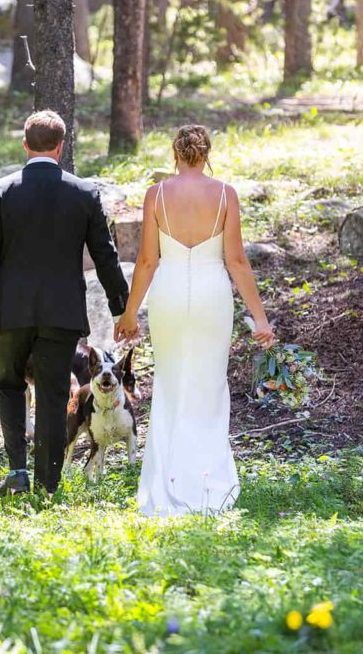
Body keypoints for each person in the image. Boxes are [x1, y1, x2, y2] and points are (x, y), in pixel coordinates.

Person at [0, 110, 129, 496]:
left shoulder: (0, 191)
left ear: (25, 145)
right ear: (60, 147)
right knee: (55, 394)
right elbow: (105, 254)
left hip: (8, 312)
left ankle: (18, 472)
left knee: (8, 387)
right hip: (61, 313)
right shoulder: (84, 193)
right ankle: (48, 483)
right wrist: (120, 308)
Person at [114, 124, 275, 517]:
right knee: (208, 385)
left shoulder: (156, 195)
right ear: (206, 154)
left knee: (170, 385)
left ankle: (167, 480)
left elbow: (148, 261)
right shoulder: (225, 194)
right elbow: (236, 260)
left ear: (176, 153)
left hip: (168, 295)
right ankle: (207, 481)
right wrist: (261, 320)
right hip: (210, 296)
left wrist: (129, 312)